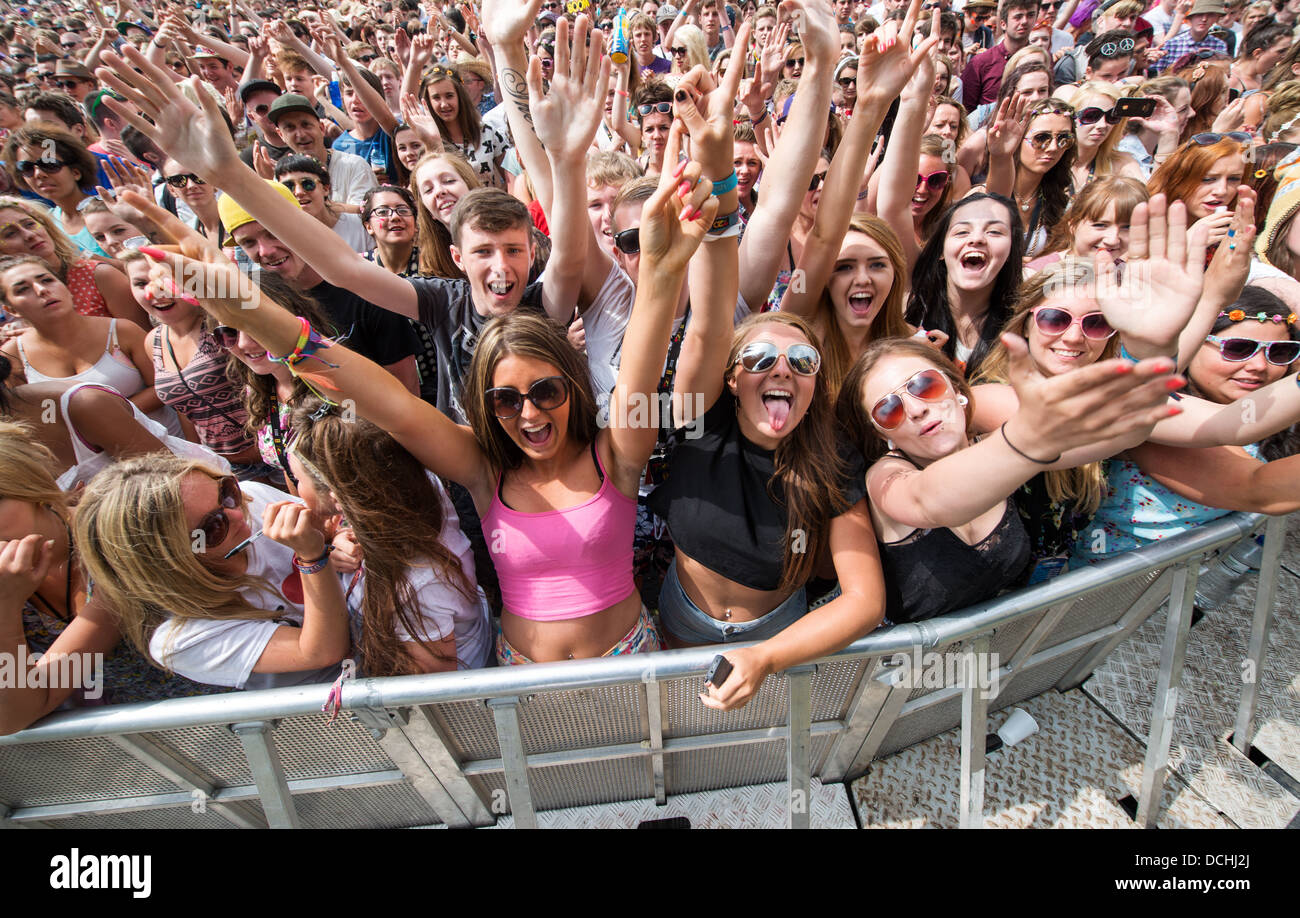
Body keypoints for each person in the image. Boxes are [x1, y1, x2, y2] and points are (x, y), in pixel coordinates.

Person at [0, 424, 214, 736]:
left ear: (27, 482)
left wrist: (5, 610)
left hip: (235, 716)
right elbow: (10, 716)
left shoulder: (112, 534)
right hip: (152, 750)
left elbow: (20, 711)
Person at [75, 453, 353, 689]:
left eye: (227, 493)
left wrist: (338, 538)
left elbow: (331, 527)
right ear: (169, 562)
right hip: (348, 709)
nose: (236, 514)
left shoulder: (251, 499)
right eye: (212, 527)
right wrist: (313, 559)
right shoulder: (180, 640)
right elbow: (322, 652)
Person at [288, 399, 492, 673]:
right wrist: (338, 534)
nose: (295, 489)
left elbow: (433, 692)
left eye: (298, 480)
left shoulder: (416, 590)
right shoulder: (412, 485)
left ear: (339, 498)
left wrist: (311, 557)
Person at [0, 255, 185, 439]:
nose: (41, 290)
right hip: (94, 463)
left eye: (47, 280)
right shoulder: (13, 356)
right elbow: (34, 420)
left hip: (167, 440)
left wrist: (102, 413)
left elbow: (167, 386)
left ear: (66, 287)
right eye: (23, 289)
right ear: (11, 310)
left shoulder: (121, 330)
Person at [905, 192, 1025, 377]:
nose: (976, 239)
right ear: (941, 250)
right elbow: (894, 206)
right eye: (962, 232)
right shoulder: (910, 311)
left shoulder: (1025, 328)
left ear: (1011, 251)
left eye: (994, 231)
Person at [0, 195, 147, 326]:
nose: (29, 235)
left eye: (29, 224)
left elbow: (143, 338)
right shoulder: (9, 302)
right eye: (10, 234)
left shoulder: (99, 275)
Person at [2, 125, 104, 255]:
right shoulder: (40, 225)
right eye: (27, 168)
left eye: (49, 164)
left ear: (76, 171)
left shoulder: (111, 208)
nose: (39, 174)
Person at [273, 154, 373, 254]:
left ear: (325, 189)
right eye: (288, 187)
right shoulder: (280, 237)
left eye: (307, 184)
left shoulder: (361, 226)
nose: (299, 192)